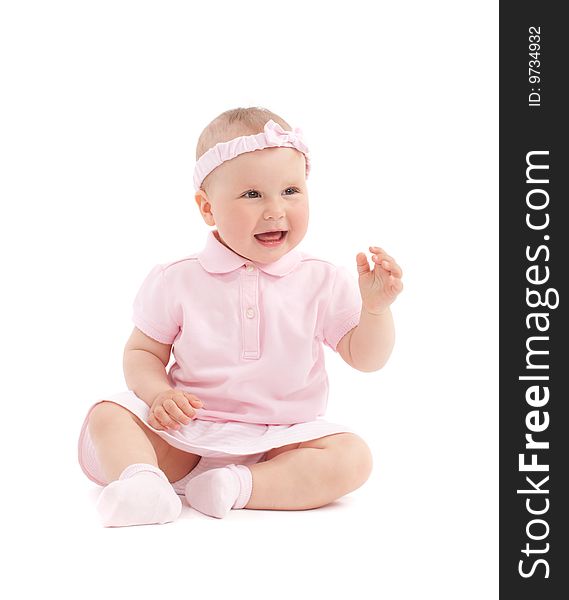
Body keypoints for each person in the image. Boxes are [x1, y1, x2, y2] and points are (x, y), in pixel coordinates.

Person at [77, 106, 404, 527]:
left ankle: (238, 486)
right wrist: (158, 395)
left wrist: (375, 310)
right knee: (108, 413)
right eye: (252, 195)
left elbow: (367, 358)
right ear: (208, 208)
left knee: (353, 457)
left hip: (282, 442)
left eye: (290, 191)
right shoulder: (178, 279)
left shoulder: (321, 279)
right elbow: (142, 352)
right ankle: (144, 484)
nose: (274, 210)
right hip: (188, 436)